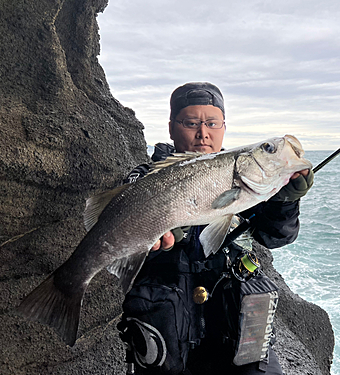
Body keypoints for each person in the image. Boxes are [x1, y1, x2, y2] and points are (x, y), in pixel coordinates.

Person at [117, 82, 314, 375]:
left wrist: (285, 201)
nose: (203, 133)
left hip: (236, 319)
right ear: (172, 127)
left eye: (212, 123)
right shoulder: (146, 177)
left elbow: (275, 236)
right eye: (191, 123)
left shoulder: (245, 175)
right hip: (167, 324)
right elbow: (121, 235)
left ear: (224, 126)